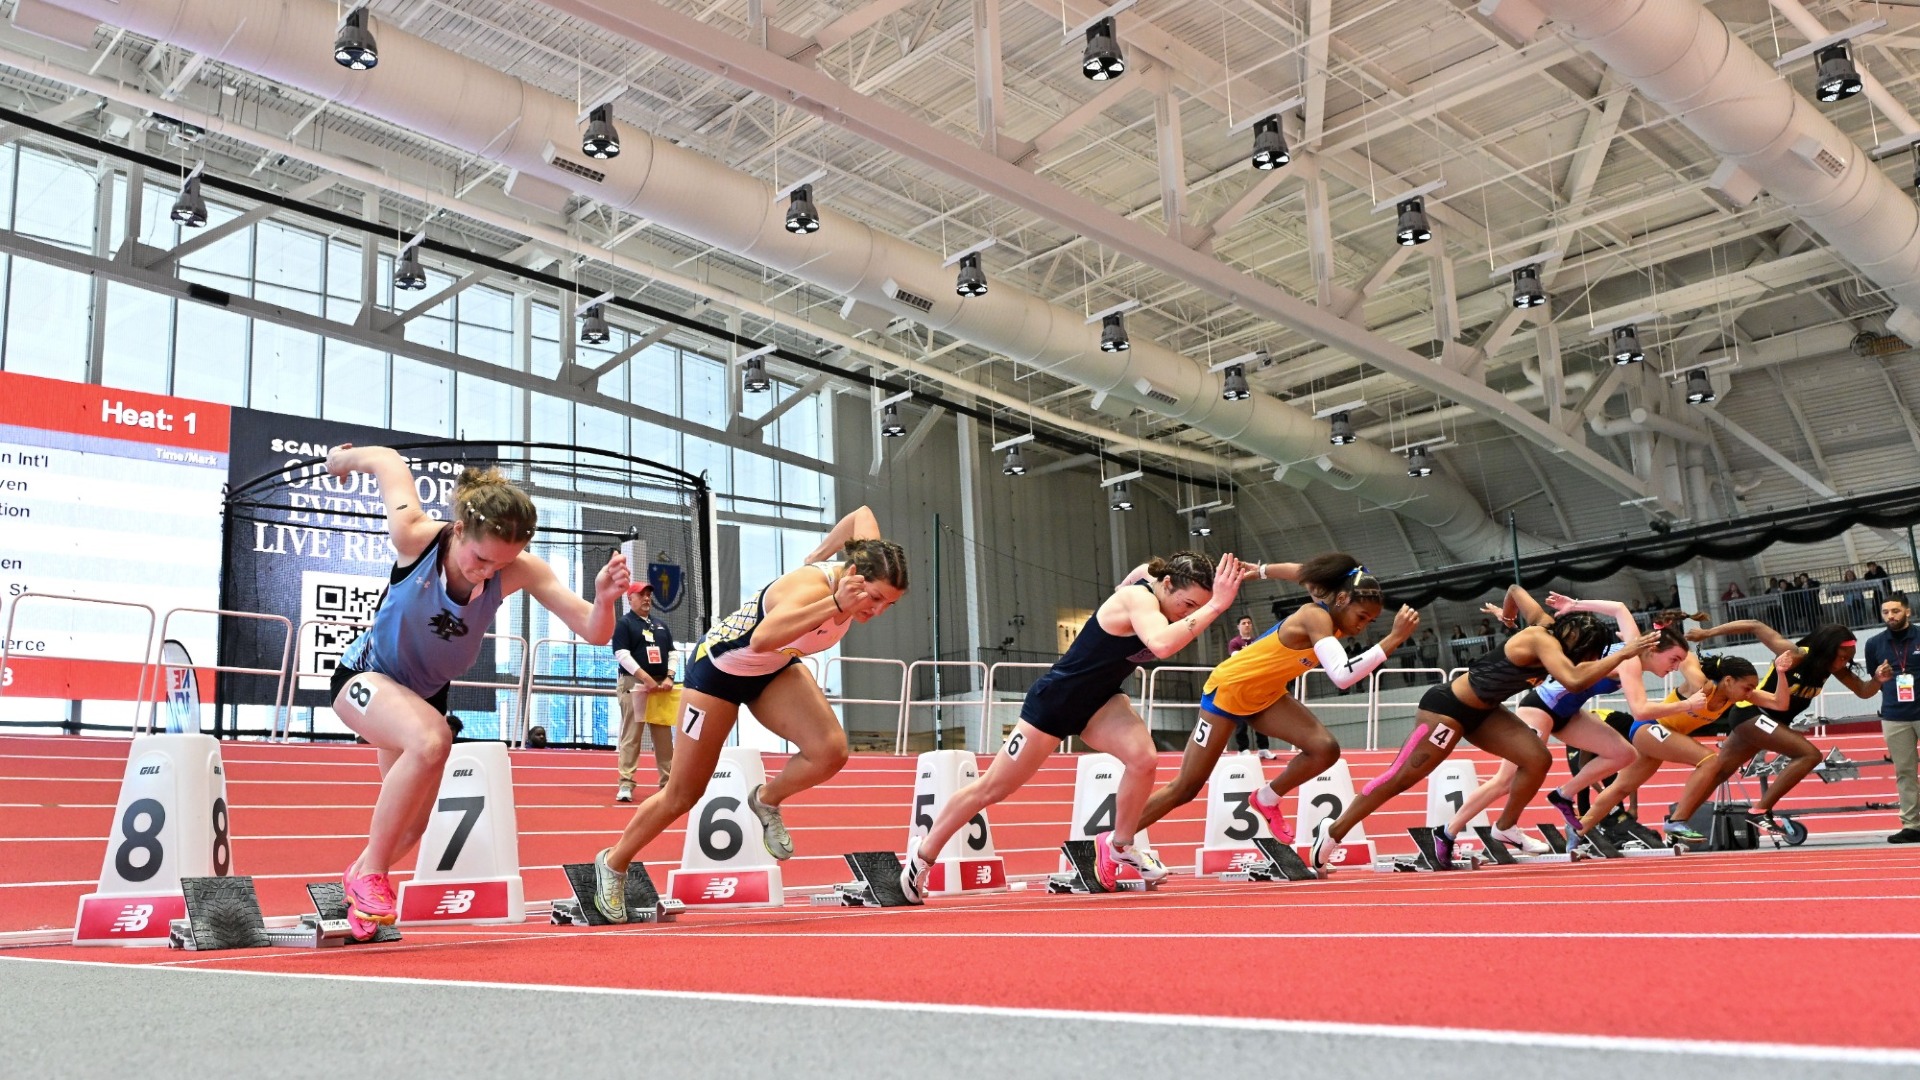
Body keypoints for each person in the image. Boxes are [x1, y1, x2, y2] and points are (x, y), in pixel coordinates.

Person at [325, 446, 630, 940]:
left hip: (421, 697)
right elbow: (387, 462)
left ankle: (360, 881)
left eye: (501, 566)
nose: (488, 573)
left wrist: (603, 599)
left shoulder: (519, 568)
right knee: (431, 740)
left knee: (410, 827)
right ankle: (371, 875)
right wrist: (342, 462)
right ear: (460, 530)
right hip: (364, 677)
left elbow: (594, 632)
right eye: (481, 559)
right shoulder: (415, 536)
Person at [590, 507, 905, 921]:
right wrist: (831, 600)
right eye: (875, 599)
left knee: (830, 751)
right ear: (852, 578)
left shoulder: (866, 560)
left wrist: (818, 551)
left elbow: (863, 515)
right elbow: (761, 638)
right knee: (683, 794)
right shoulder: (812, 591)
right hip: (716, 674)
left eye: (889, 604)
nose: (877, 610)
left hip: (775, 670)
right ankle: (613, 863)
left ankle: (766, 799)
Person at [900, 551, 1250, 902]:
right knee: (992, 788)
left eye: (1197, 607)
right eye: (1187, 604)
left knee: (1144, 760)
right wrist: (1216, 606)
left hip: (1101, 702)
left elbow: (1144, 569)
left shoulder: (1154, 581)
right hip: (1056, 703)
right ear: (1168, 584)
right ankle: (922, 856)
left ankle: (1119, 845)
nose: (1189, 614)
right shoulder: (1138, 601)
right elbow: (1161, 644)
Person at [1308, 589, 1655, 871]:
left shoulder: (1547, 625)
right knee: (1400, 777)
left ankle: (1505, 828)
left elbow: (1516, 590)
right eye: (1588, 655)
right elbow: (1575, 679)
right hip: (1448, 710)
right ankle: (1334, 831)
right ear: (1577, 643)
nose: (1587, 662)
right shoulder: (1542, 640)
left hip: (1486, 712)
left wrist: (1506, 613)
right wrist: (1626, 653)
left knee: (1537, 759)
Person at [1133, 555, 1417, 845]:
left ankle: (1267, 798)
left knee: (1324, 749)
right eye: (1361, 617)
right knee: (1186, 787)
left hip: (1266, 696)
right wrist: (1394, 638)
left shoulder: (1335, 603)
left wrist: (1262, 571)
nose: (1362, 627)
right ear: (1342, 599)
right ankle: (1116, 839)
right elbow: (1342, 676)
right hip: (1228, 691)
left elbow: (1304, 572)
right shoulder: (1316, 616)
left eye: (1371, 621)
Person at [1437, 590, 1640, 856]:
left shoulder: (1630, 649)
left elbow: (1619, 609)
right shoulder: (1628, 659)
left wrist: (1569, 605)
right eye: (1673, 662)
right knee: (1505, 780)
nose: (1672, 670)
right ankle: (1448, 831)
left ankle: (1563, 794)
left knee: (1624, 753)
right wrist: (1576, 605)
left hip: (1569, 713)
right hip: (1540, 708)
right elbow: (1640, 708)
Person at [1685, 617, 1891, 830]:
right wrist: (1707, 634)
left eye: (1848, 659)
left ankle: (1677, 822)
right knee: (1810, 755)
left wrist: (1877, 679)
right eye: (1841, 657)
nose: (1843, 663)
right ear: (1826, 649)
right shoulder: (1796, 654)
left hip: (1769, 723)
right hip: (1753, 713)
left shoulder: (1833, 668)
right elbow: (1755, 625)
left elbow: (1864, 691)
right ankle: (1759, 811)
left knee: (1719, 773)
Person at [611, 581, 677, 801]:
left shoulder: (660, 625)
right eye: (641, 594)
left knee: (664, 738)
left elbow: (673, 653)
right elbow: (621, 654)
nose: (647, 598)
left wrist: (669, 676)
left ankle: (668, 783)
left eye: (649, 594)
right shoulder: (624, 623)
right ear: (630, 598)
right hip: (634, 684)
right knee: (632, 735)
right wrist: (645, 678)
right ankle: (626, 784)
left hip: (661, 687)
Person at [1865, 595, 1920, 843]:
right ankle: (1912, 825)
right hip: (1894, 716)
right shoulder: (1874, 644)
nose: (1891, 616)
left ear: (1907, 612)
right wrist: (1879, 678)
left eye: (1896, 611)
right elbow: (1875, 681)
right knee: (1905, 771)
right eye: (1886, 612)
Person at [1225, 615, 1274, 759]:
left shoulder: (1258, 641)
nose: (1247, 625)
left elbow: (1263, 657)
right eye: (1243, 623)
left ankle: (1263, 748)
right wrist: (1253, 655)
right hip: (1241, 684)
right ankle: (1243, 748)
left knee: (1261, 716)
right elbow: (1238, 658)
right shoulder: (1234, 642)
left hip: (1257, 684)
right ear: (1238, 626)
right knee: (1241, 718)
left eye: (1249, 623)